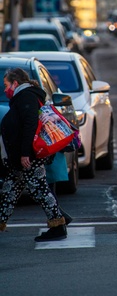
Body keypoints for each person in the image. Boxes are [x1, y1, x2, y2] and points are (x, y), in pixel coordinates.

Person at [0, 68, 67, 242]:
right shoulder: (23, 97)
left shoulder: (26, 97)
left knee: (40, 190)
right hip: (19, 158)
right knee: (10, 191)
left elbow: (30, 126)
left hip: (28, 157)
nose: (4, 89)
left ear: (15, 83)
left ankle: (58, 225)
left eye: (6, 85)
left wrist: (24, 154)